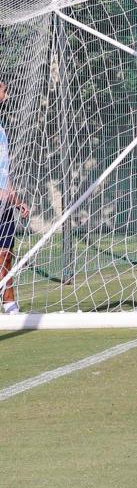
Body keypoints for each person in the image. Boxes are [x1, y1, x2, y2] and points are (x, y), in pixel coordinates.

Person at [0, 79, 25, 315]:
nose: (6, 97)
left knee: (6, 251)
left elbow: (4, 170)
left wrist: (15, 199)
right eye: (3, 91)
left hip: (5, 202)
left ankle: (9, 302)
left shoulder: (1, 129)